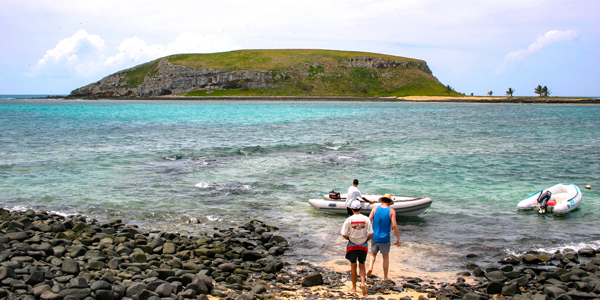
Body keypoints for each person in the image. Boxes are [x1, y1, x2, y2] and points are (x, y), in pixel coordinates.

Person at [341, 200, 373, 295]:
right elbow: (371, 233)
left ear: (352, 209)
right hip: (363, 245)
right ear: (360, 208)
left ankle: (354, 287)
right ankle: (363, 283)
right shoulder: (366, 219)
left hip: (352, 244)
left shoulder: (349, 219)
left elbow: (344, 234)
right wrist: (365, 240)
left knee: (353, 266)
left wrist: (350, 239)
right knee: (362, 265)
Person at [366, 193, 401, 281]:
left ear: (382, 201)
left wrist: (366, 232)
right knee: (385, 257)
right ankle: (385, 277)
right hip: (385, 238)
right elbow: (394, 225)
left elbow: (368, 220)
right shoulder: (391, 211)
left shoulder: (375, 208)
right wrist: (398, 238)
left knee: (373, 253)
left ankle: (370, 268)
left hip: (374, 236)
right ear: (389, 202)